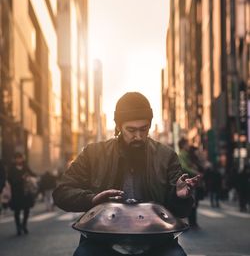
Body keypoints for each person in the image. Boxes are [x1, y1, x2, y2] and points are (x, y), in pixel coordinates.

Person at [53, 92, 200, 256]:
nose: (138, 136)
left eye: (143, 129)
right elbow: (62, 192)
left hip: (156, 240)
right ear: (119, 127)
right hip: (103, 240)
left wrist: (180, 197)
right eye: (131, 130)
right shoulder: (93, 154)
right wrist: (92, 199)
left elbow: (181, 212)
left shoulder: (166, 156)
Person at [8, 152, 36, 235]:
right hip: (16, 192)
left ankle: (24, 225)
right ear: (15, 159)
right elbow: (10, 179)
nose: (19, 159)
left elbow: (32, 173)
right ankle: (18, 227)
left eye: (20, 158)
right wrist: (21, 178)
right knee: (17, 211)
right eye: (17, 158)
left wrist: (35, 176)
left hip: (25, 192)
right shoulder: (12, 168)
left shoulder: (25, 166)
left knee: (26, 210)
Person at [178, 141, 203, 229]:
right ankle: (192, 223)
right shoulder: (182, 155)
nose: (188, 146)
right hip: (188, 181)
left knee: (193, 202)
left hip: (191, 181)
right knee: (191, 201)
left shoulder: (187, 155)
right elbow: (184, 167)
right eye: (187, 144)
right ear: (183, 145)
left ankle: (192, 222)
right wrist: (196, 172)